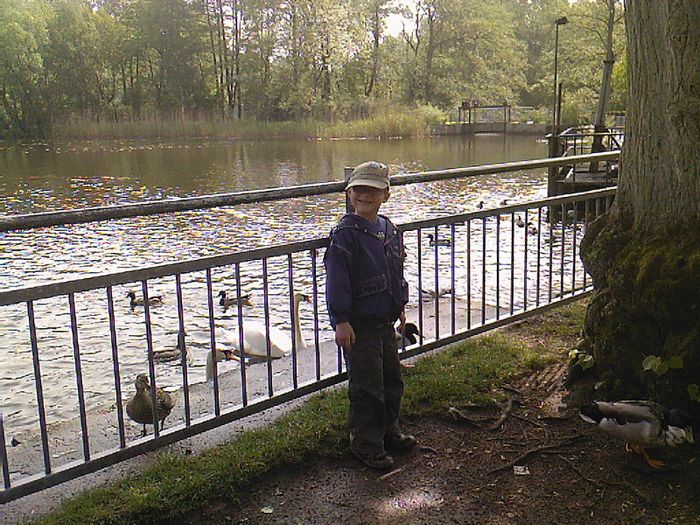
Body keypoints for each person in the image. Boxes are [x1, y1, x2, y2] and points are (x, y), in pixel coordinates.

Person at [324, 160, 417, 470]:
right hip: (360, 325)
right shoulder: (345, 235)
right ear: (349, 193)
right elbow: (337, 281)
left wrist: (400, 305)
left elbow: (395, 271)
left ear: (385, 195)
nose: (365, 195)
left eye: (373, 190)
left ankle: (389, 430)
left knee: (392, 380)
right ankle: (365, 442)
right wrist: (342, 320)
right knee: (367, 386)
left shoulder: (388, 229)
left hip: (385, 320)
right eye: (359, 189)